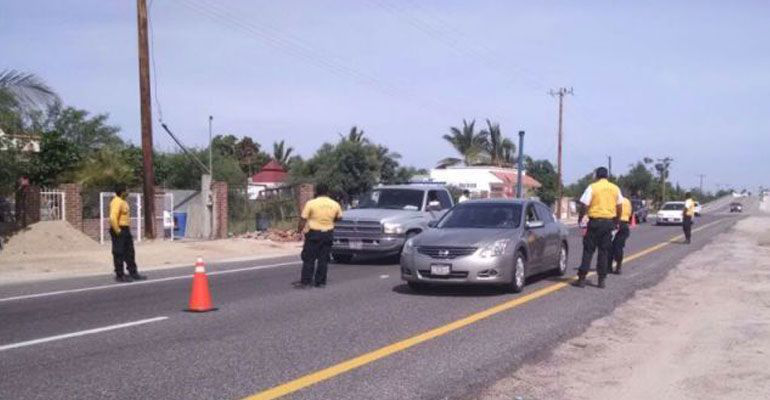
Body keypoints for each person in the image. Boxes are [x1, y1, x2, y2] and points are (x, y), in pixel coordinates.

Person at [574, 167, 623, 289]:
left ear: (597, 175)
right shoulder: (615, 188)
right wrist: (617, 221)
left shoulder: (592, 187)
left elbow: (584, 204)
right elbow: (620, 206)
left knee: (588, 250)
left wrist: (581, 218)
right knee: (604, 252)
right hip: (608, 223)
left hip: (595, 222)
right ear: (607, 176)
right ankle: (601, 280)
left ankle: (582, 278)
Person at [296, 183, 342, 288]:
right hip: (328, 234)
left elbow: (303, 219)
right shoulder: (335, 204)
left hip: (313, 234)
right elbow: (339, 217)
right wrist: (331, 221)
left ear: (316, 192)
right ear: (328, 192)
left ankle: (306, 282)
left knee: (309, 259)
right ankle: (320, 282)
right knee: (323, 259)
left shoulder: (311, 203)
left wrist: (299, 230)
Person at [109, 185, 146, 282]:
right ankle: (120, 275)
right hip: (119, 229)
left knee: (130, 252)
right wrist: (118, 231)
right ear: (122, 192)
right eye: (126, 190)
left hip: (126, 229)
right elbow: (113, 218)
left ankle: (133, 272)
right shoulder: (116, 202)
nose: (128, 192)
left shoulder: (123, 201)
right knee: (119, 253)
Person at [610, 195, 633, 275]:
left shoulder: (614, 200)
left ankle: (609, 266)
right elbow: (630, 213)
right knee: (619, 246)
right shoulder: (627, 201)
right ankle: (619, 267)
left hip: (615, 223)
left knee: (609, 246)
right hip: (624, 225)